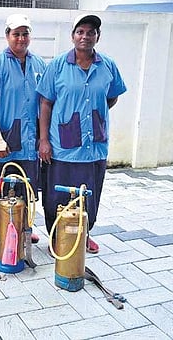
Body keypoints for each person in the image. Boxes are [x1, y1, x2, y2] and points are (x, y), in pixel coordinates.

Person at [37, 14, 127, 254]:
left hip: (93, 146)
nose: (85, 36)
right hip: (62, 146)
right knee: (57, 196)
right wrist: (44, 140)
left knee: (90, 195)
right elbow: (45, 103)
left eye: (91, 32)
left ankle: (84, 234)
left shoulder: (107, 65)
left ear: (98, 36)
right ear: (73, 35)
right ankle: (57, 236)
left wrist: (94, 115)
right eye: (80, 31)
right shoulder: (57, 66)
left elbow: (113, 95)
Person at [0, 14, 46, 246]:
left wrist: (43, 137)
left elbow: (46, 102)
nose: (21, 38)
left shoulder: (39, 64)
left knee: (27, 188)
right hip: (5, 140)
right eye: (16, 33)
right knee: (0, 189)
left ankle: (24, 227)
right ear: (7, 35)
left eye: (25, 33)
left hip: (30, 141)